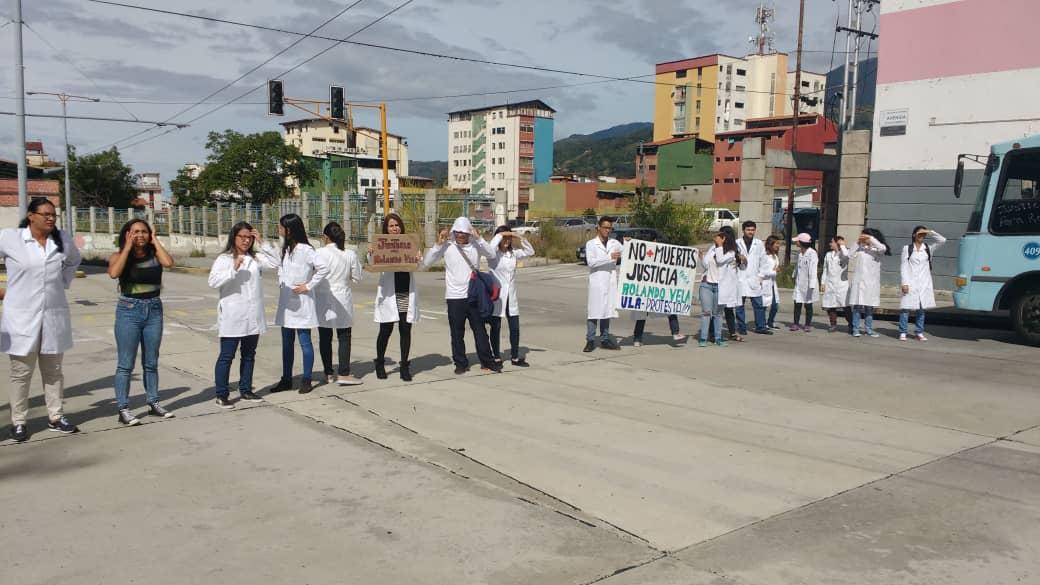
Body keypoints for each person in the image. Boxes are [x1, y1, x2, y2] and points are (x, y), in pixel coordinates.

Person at [1, 198, 82, 442]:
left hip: (53, 316)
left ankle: (56, 417)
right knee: (21, 373)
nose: (50, 218)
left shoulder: (63, 240)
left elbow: (74, 261)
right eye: (45, 214)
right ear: (30, 216)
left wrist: (63, 282)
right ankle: (18, 421)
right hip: (21, 318)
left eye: (53, 215)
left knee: (54, 371)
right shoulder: (11, 238)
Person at [107, 218, 176, 426]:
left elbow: (169, 263)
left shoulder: (155, 254)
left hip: (154, 309)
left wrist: (156, 241)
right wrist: (127, 248)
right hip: (129, 311)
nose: (140, 235)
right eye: (135, 232)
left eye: (144, 232)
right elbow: (114, 273)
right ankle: (123, 408)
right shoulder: (119, 256)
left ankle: (153, 402)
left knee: (151, 362)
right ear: (127, 234)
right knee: (125, 364)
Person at [208, 222, 279, 409]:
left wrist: (263, 242)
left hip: (252, 314)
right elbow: (213, 281)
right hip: (233, 314)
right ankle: (221, 394)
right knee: (227, 355)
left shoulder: (255, 258)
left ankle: (246, 389)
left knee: (249, 355)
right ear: (234, 237)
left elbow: (276, 263)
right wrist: (233, 269)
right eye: (243, 237)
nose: (246, 241)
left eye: (250, 237)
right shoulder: (224, 259)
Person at [422, 217, 500, 374]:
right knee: (457, 333)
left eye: (463, 233)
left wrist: (480, 238)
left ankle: (488, 361)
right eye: (457, 232)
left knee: (480, 331)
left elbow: (491, 254)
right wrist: (438, 244)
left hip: (474, 295)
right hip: (454, 297)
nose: (460, 235)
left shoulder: (475, 245)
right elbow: (426, 262)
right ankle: (460, 363)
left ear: (468, 233)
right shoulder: (447, 246)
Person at [271, 213, 329, 394]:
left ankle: (306, 379)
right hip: (287, 302)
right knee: (287, 343)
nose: (279, 230)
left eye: (281, 227)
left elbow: (323, 268)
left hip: (302, 302)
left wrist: (308, 285)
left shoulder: (306, 249)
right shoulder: (286, 249)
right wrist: (282, 281)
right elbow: (280, 268)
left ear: (290, 229)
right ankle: (286, 378)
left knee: (305, 342)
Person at [373, 213, 421, 381]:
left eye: (397, 225)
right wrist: (372, 253)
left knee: (405, 328)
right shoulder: (381, 244)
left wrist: (417, 258)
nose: (394, 228)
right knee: (385, 329)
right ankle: (379, 362)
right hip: (388, 293)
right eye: (391, 226)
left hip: (405, 291)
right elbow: (372, 262)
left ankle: (404, 365)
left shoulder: (409, 243)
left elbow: (417, 264)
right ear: (386, 229)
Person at [315, 222, 364, 384]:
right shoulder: (349, 254)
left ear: (325, 237)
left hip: (323, 298)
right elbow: (357, 277)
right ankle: (344, 373)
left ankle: (328, 373)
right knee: (344, 336)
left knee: (325, 336)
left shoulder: (319, 252)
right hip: (342, 297)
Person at [487, 225, 535, 366]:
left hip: (511, 296)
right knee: (495, 327)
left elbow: (530, 251)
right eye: (504, 237)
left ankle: (514, 356)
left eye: (509, 238)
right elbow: (490, 246)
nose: (507, 240)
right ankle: (496, 356)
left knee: (514, 328)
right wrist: (502, 234)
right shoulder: (493, 255)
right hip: (498, 296)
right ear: (499, 238)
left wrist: (519, 237)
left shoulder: (513, 253)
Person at [627, 233, 686, 347]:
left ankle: (637, 339)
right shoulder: (647, 251)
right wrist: (630, 242)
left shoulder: (651, 252)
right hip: (649, 288)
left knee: (667, 308)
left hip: (652, 288)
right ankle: (674, 332)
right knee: (649, 312)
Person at [899, 226, 947, 341]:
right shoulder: (907, 248)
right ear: (914, 235)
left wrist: (930, 232)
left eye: (923, 235)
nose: (922, 236)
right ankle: (903, 332)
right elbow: (903, 266)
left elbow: (942, 240)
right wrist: (904, 283)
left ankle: (919, 332)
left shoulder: (928, 248)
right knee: (905, 308)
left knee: (921, 309)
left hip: (924, 283)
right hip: (910, 282)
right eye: (919, 234)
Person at [583, 216, 623, 352]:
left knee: (607, 311)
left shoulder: (614, 243)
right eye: (605, 227)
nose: (607, 230)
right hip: (597, 282)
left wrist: (629, 243)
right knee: (594, 312)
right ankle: (590, 340)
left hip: (610, 282)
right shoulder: (591, 244)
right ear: (598, 228)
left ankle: (605, 339)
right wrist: (609, 257)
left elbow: (628, 252)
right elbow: (591, 262)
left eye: (609, 228)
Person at [847, 228, 891, 338]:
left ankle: (868, 329)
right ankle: (856, 329)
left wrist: (870, 239)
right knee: (857, 307)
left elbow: (882, 247)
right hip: (859, 282)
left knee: (869, 308)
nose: (862, 238)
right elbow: (849, 254)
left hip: (871, 283)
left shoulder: (878, 249)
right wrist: (858, 242)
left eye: (864, 236)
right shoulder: (860, 248)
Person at [735, 220, 772, 335]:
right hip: (740, 277)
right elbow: (731, 256)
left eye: (752, 230)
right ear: (743, 230)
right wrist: (737, 255)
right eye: (748, 230)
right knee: (739, 305)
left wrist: (761, 276)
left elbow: (763, 261)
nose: (750, 232)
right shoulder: (737, 243)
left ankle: (760, 327)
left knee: (758, 304)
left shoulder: (759, 243)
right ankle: (742, 327)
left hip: (754, 278)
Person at [698, 232, 731, 347]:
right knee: (706, 312)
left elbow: (721, 260)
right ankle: (703, 338)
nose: (714, 239)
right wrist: (702, 258)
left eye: (717, 237)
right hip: (706, 284)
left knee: (718, 313)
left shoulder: (730, 252)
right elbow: (707, 265)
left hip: (720, 286)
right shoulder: (712, 249)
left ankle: (718, 338)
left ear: (723, 238)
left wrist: (720, 246)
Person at [821, 236, 852, 333]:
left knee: (845, 306)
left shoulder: (844, 254)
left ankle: (851, 324)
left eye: (832, 242)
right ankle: (833, 324)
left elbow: (847, 256)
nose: (830, 244)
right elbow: (825, 269)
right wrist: (823, 282)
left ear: (837, 243)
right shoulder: (828, 254)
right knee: (830, 305)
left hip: (841, 284)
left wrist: (842, 245)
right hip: (830, 283)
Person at [790, 233, 820, 332]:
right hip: (799, 283)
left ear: (802, 242)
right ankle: (795, 323)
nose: (796, 242)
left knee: (808, 305)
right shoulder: (800, 253)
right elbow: (797, 266)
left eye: (797, 241)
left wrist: (811, 284)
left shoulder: (812, 253)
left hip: (808, 284)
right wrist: (794, 275)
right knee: (797, 303)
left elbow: (813, 269)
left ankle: (807, 324)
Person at [717, 228, 743, 341]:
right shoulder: (716, 249)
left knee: (728, 310)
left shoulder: (732, 251)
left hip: (729, 284)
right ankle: (713, 333)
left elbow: (720, 260)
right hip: (718, 282)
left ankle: (732, 332)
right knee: (716, 311)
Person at [759, 235, 782, 330]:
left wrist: (775, 271)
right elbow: (762, 271)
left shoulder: (775, 256)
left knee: (775, 305)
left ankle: (770, 322)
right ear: (770, 244)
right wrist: (775, 271)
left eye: (779, 243)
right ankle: (762, 323)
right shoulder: (765, 256)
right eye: (776, 243)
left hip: (772, 283)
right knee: (764, 305)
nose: (778, 245)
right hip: (765, 283)